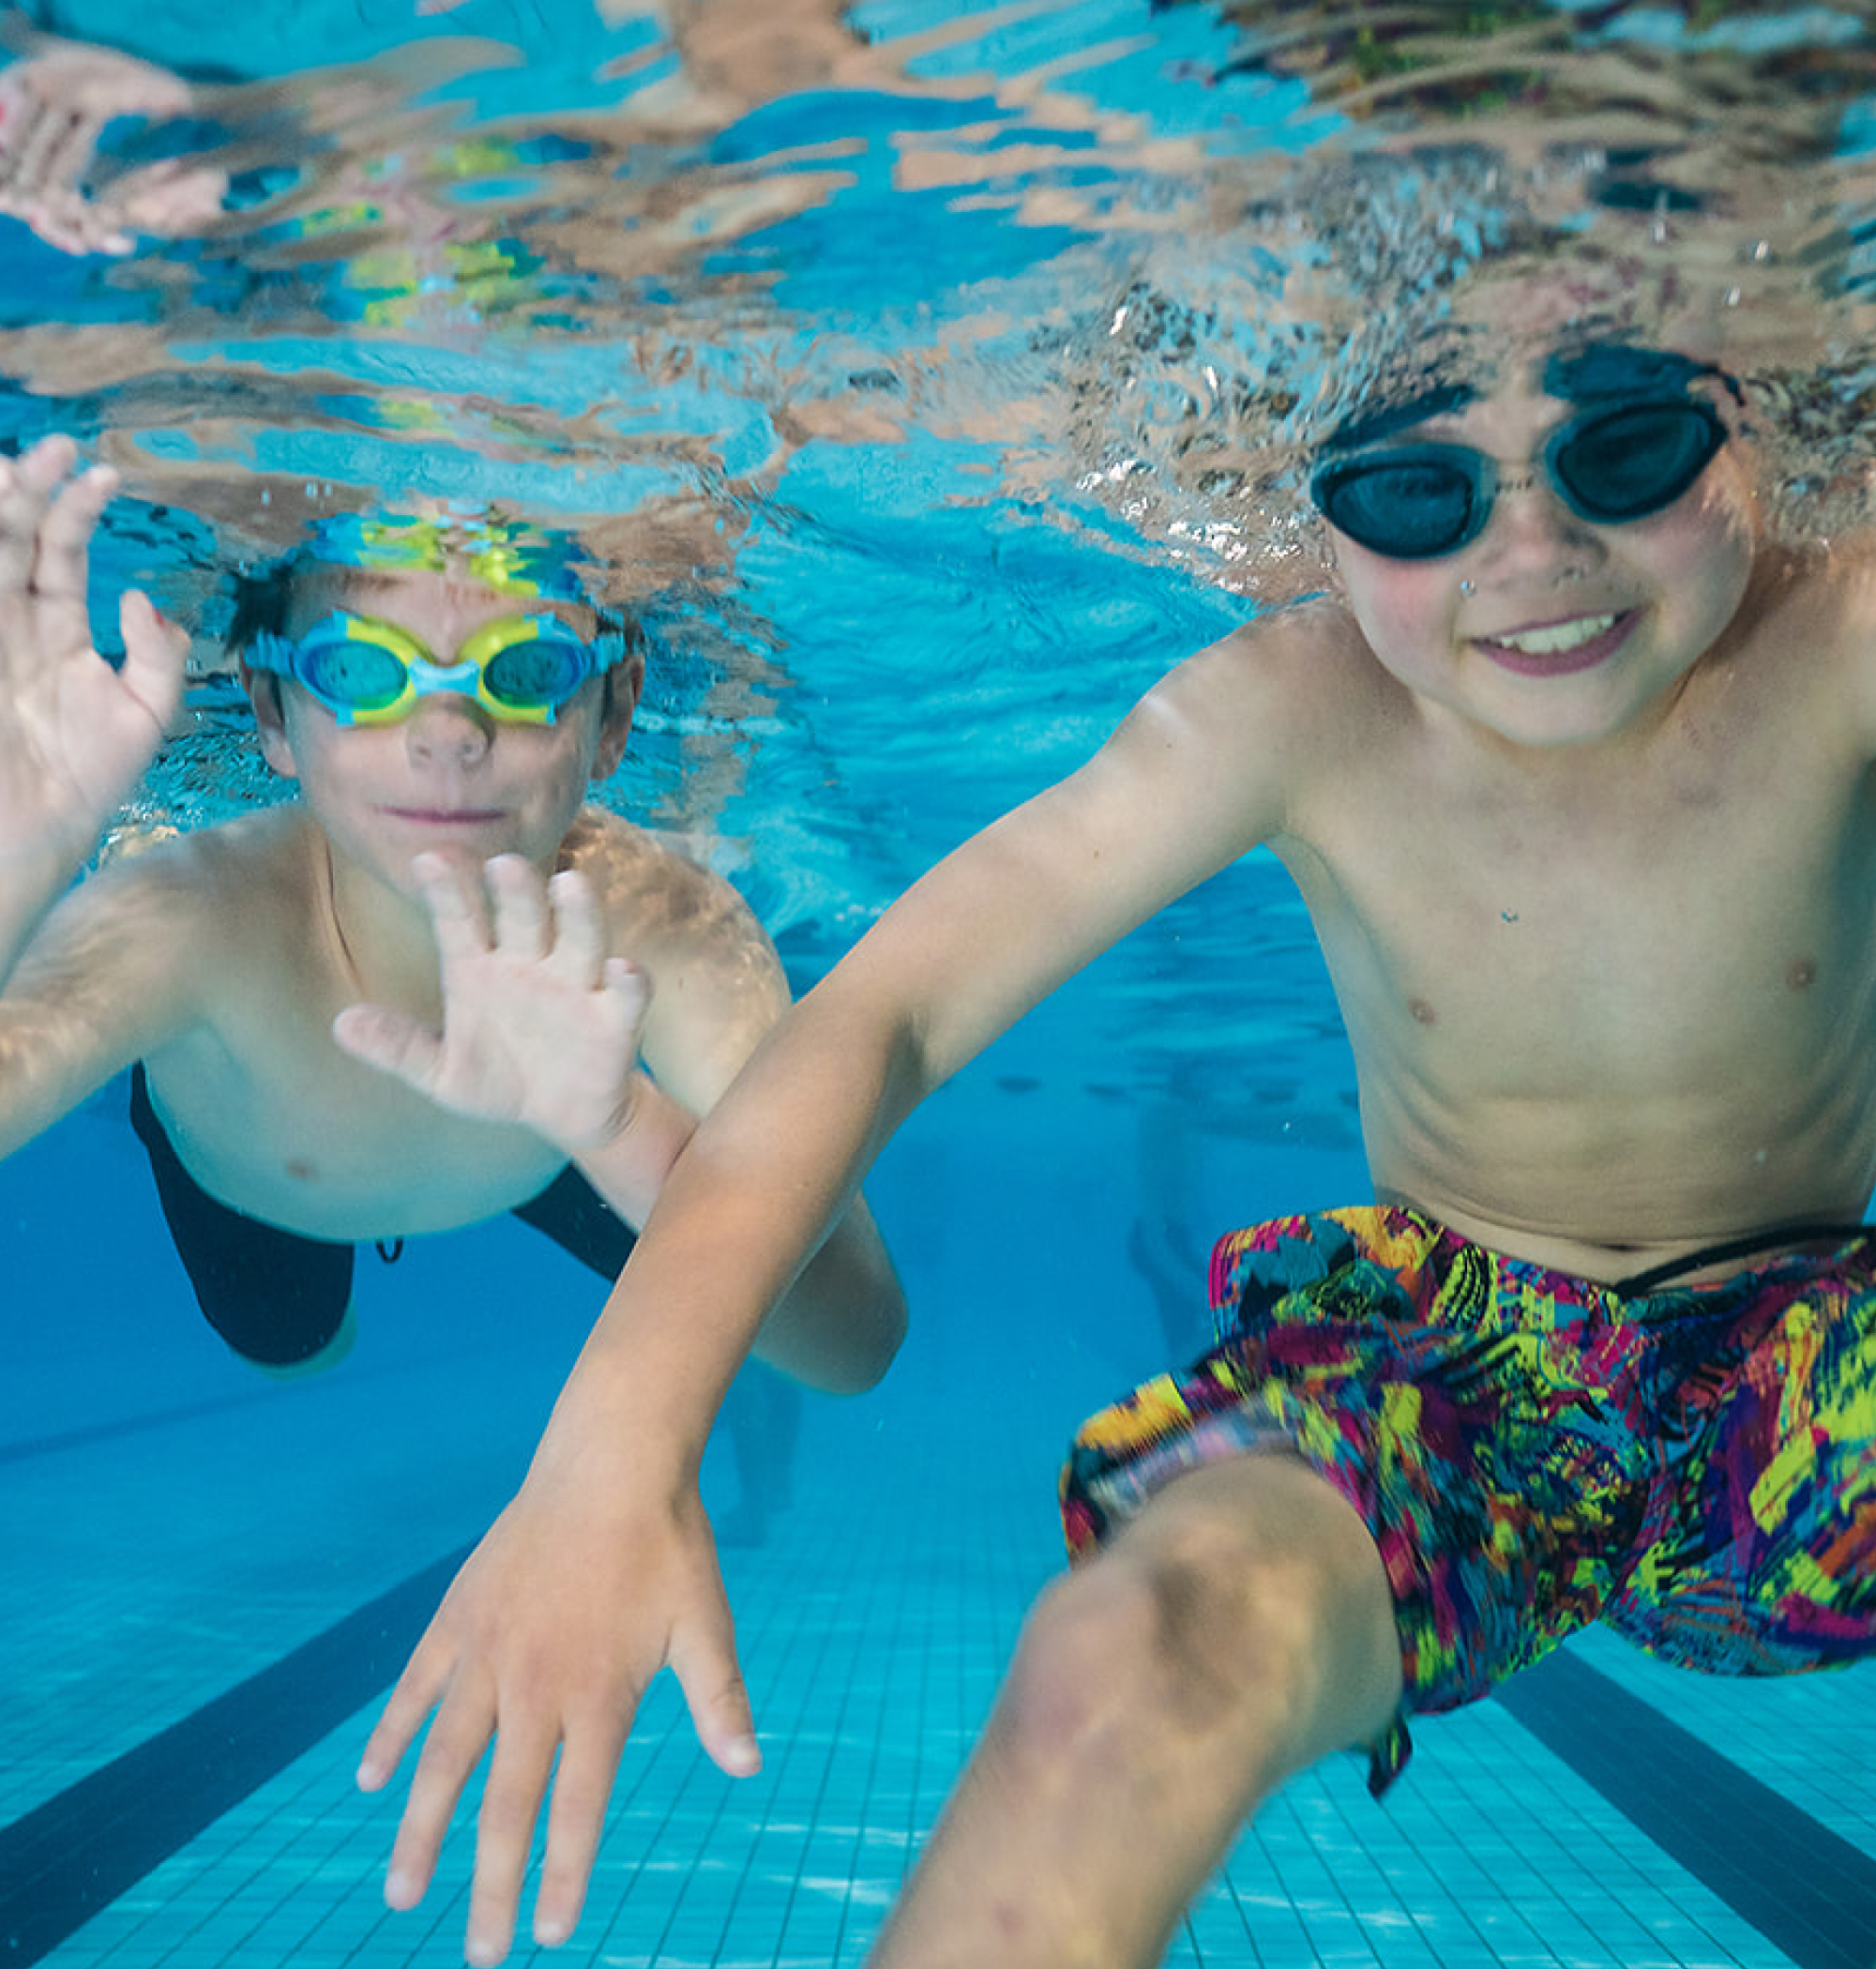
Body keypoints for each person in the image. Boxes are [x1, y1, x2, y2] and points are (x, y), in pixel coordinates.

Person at [351, 305, 1876, 1968]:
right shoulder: (1295, 704)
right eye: (1418, 495)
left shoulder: (1838, 632)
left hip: (1827, 1363)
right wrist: (610, 1454)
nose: (1534, 549)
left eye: (1626, 445)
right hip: (1457, 1388)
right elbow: (885, 1017)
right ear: (1323, 504)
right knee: (1123, 1654)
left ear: (1749, 422)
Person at [0, 432, 902, 1402]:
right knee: (293, 1349)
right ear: (269, 713)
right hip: (255, 1189)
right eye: (359, 673)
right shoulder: (187, 915)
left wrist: (617, 1127)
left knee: (737, 1317)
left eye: (523, 672)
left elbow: (858, 1343)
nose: (446, 737)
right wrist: (21, 862)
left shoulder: (669, 924)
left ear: (613, 719)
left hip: (556, 1132)